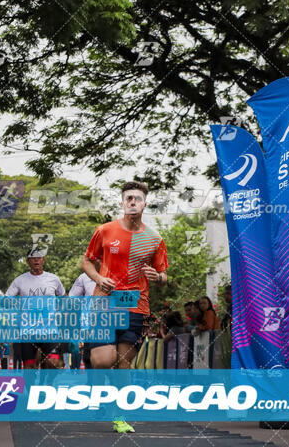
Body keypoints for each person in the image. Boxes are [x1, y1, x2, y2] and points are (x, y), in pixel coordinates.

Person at [81, 180, 168, 433]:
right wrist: (98, 278)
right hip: (104, 303)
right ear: (122, 203)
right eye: (128, 198)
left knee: (124, 364)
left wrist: (157, 277)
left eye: (137, 198)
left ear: (144, 204)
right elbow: (86, 261)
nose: (133, 202)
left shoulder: (154, 239)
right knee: (102, 360)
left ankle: (119, 416)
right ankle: (100, 392)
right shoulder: (105, 230)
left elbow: (164, 276)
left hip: (135, 307)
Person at [6, 247, 65, 369]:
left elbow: (64, 297)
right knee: (29, 368)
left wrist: (61, 312)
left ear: (43, 260)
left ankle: (47, 383)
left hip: (49, 330)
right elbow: (6, 300)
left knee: (53, 363)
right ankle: (32, 387)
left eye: (39, 258)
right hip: (28, 331)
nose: (36, 261)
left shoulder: (54, 279)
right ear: (28, 261)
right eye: (33, 258)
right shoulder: (20, 280)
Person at [68, 272, 96, 369]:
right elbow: (72, 298)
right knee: (88, 354)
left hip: (110, 322)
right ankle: (91, 380)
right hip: (88, 324)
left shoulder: (115, 273)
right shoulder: (84, 277)